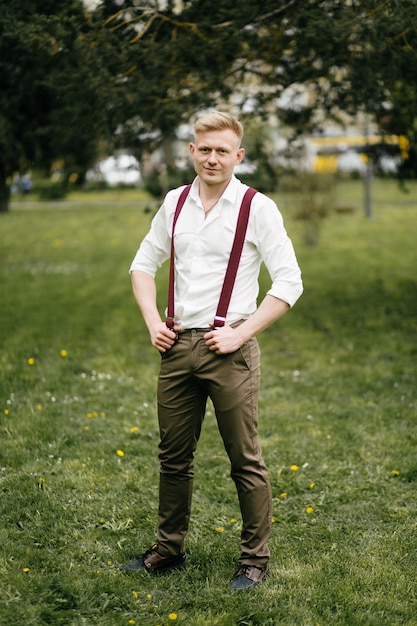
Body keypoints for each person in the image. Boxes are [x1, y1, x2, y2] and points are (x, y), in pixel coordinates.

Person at [120, 111, 303, 590]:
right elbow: (143, 265)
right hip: (177, 347)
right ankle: (167, 548)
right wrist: (153, 322)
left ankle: (254, 560)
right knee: (172, 456)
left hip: (231, 349)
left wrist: (241, 333)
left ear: (238, 155)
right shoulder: (174, 201)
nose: (214, 158)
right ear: (191, 152)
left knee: (244, 458)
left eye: (223, 150)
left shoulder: (256, 207)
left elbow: (290, 282)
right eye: (206, 149)